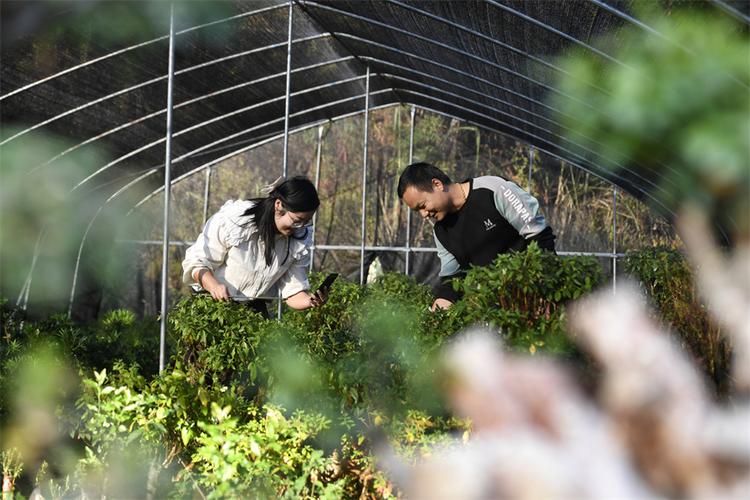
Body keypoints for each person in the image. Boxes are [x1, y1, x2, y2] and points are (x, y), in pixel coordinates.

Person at [397, 162, 555, 311]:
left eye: (422, 205)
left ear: (437, 184)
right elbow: (452, 280)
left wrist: (545, 293)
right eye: (418, 211)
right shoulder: (441, 232)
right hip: (496, 311)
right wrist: (437, 312)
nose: (424, 215)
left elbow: (540, 237)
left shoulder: (493, 190)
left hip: (533, 297)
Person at [182, 176, 327, 318]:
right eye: (297, 221)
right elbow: (197, 263)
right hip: (212, 303)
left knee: (266, 341)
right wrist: (214, 286)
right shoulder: (236, 219)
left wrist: (310, 301)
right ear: (278, 205)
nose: (299, 227)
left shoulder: (298, 240)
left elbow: (293, 292)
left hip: (252, 308)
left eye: (306, 222)